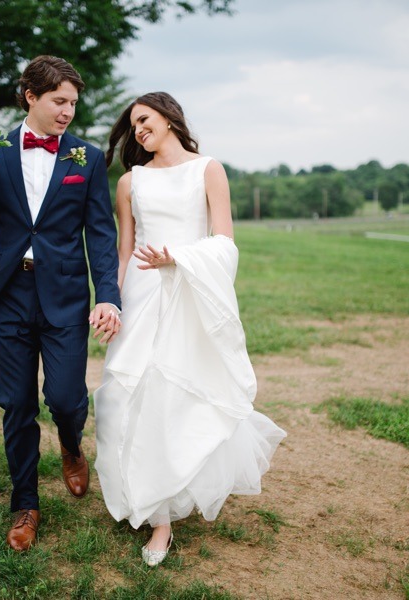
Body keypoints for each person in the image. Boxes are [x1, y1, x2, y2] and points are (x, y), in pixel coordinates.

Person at [95, 92, 286, 567]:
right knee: (123, 396)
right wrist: (111, 302)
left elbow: (225, 242)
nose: (139, 130)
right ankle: (145, 499)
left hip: (189, 291)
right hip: (142, 295)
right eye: (133, 126)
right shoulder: (130, 182)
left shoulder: (208, 170)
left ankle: (164, 517)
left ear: (169, 117)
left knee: (174, 401)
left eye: (144, 119)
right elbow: (124, 251)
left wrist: (178, 258)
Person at [0, 55, 122, 551]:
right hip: (9, 296)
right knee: (16, 403)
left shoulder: (87, 159)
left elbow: (100, 235)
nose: (68, 112)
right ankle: (25, 504)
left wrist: (108, 296)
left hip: (65, 297)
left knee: (65, 398)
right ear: (31, 97)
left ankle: (70, 442)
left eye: (73, 104)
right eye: (59, 101)